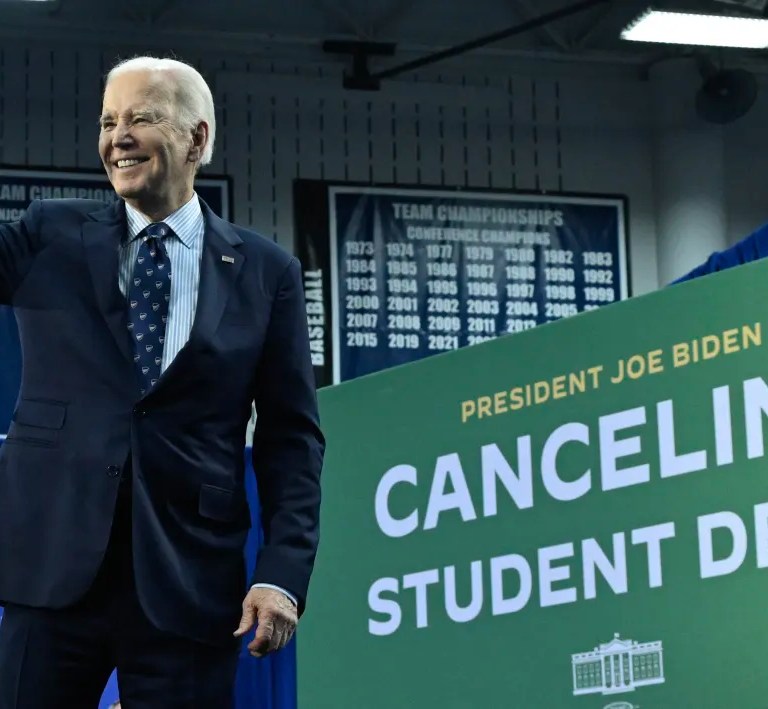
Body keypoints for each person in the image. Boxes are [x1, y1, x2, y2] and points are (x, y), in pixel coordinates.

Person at [0, 56, 324, 707]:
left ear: (196, 139)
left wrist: (282, 575)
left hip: (188, 584)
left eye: (141, 118)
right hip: (51, 569)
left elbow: (292, 439)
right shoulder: (49, 233)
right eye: (108, 121)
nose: (117, 136)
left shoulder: (266, 273)